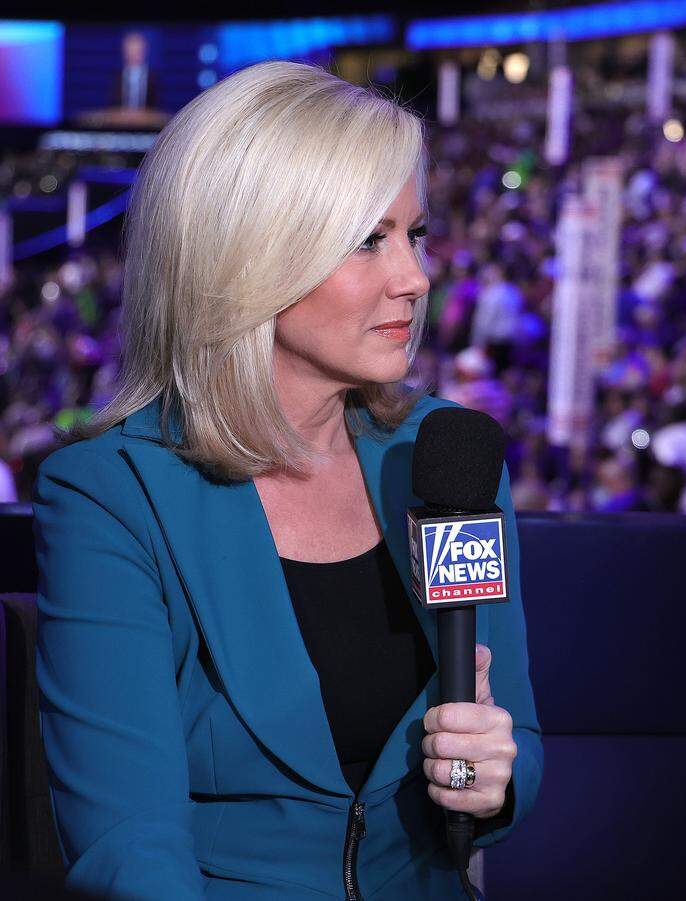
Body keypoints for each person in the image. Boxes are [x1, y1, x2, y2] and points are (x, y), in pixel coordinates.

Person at [31, 61, 542, 899]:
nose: (415, 277)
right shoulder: (112, 494)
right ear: (248, 258)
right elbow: (130, 845)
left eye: (414, 234)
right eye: (368, 240)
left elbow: (518, 734)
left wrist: (491, 780)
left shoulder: (445, 456)